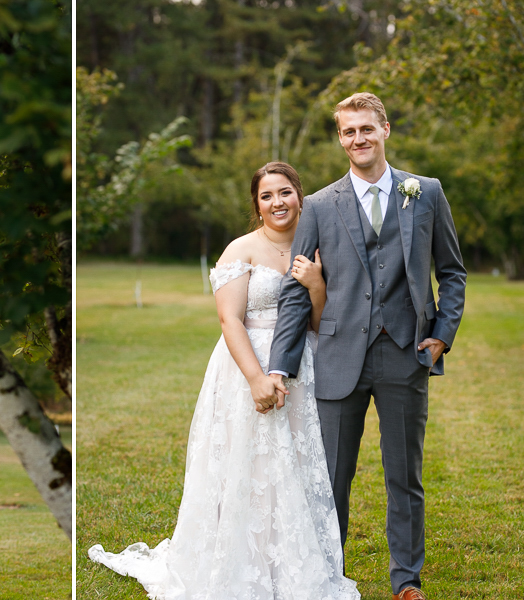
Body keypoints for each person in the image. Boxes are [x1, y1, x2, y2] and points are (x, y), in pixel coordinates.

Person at [88, 162, 360, 600]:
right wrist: (255, 378)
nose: (278, 203)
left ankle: (286, 560)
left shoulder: (319, 247)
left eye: (285, 192)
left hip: (302, 366)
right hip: (244, 364)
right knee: (247, 462)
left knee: (294, 462)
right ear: (257, 204)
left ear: (300, 196)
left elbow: (319, 322)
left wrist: (316, 286)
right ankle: (238, 559)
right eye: (267, 195)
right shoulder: (242, 249)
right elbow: (229, 319)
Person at [268, 93, 466, 600]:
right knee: (331, 479)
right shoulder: (318, 205)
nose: (358, 139)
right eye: (348, 131)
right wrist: (280, 367)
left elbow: (451, 272)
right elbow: (295, 294)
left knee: (405, 477)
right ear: (340, 138)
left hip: (406, 353)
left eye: (366, 129)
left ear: (385, 130)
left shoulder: (426, 193)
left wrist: (441, 336)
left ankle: (406, 581)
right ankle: (326, 579)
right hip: (338, 357)